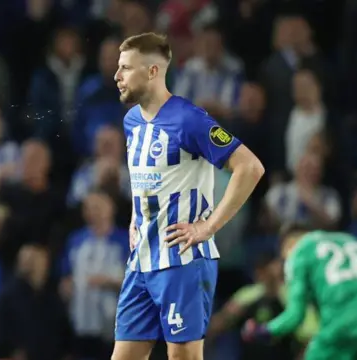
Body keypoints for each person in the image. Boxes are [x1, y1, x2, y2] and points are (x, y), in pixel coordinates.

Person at [112, 32, 264, 360]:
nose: (117, 76)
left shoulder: (189, 119)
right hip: (141, 260)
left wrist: (208, 227)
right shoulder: (131, 121)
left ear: (152, 71)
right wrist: (134, 220)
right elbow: (149, 182)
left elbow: (250, 168)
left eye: (126, 68)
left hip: (182, 260)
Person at [242, 223, 357, 360]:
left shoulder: (299, 252)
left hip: (341, 329)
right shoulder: (350, 240)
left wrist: (263, 331)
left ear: (287, 247)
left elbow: (295, 316)